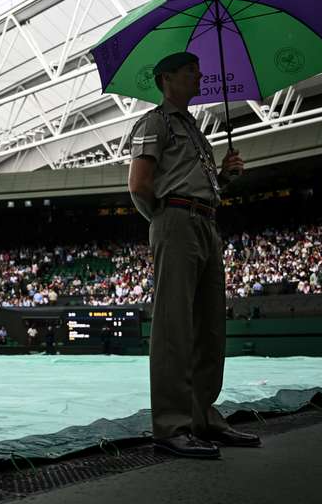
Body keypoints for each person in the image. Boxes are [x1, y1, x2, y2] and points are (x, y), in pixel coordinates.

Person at [127, 52, 260, 459]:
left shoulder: (197, 130)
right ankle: (171, 426)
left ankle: (202, 416)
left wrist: (223, 177)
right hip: (177, 222)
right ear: (166, 78)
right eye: (190, 72)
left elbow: (195, 180)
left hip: (206, 222)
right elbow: (139, 184)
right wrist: (165, 218)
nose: (199, 77)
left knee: (209, 326)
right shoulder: (155, 123)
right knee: (174, 327)